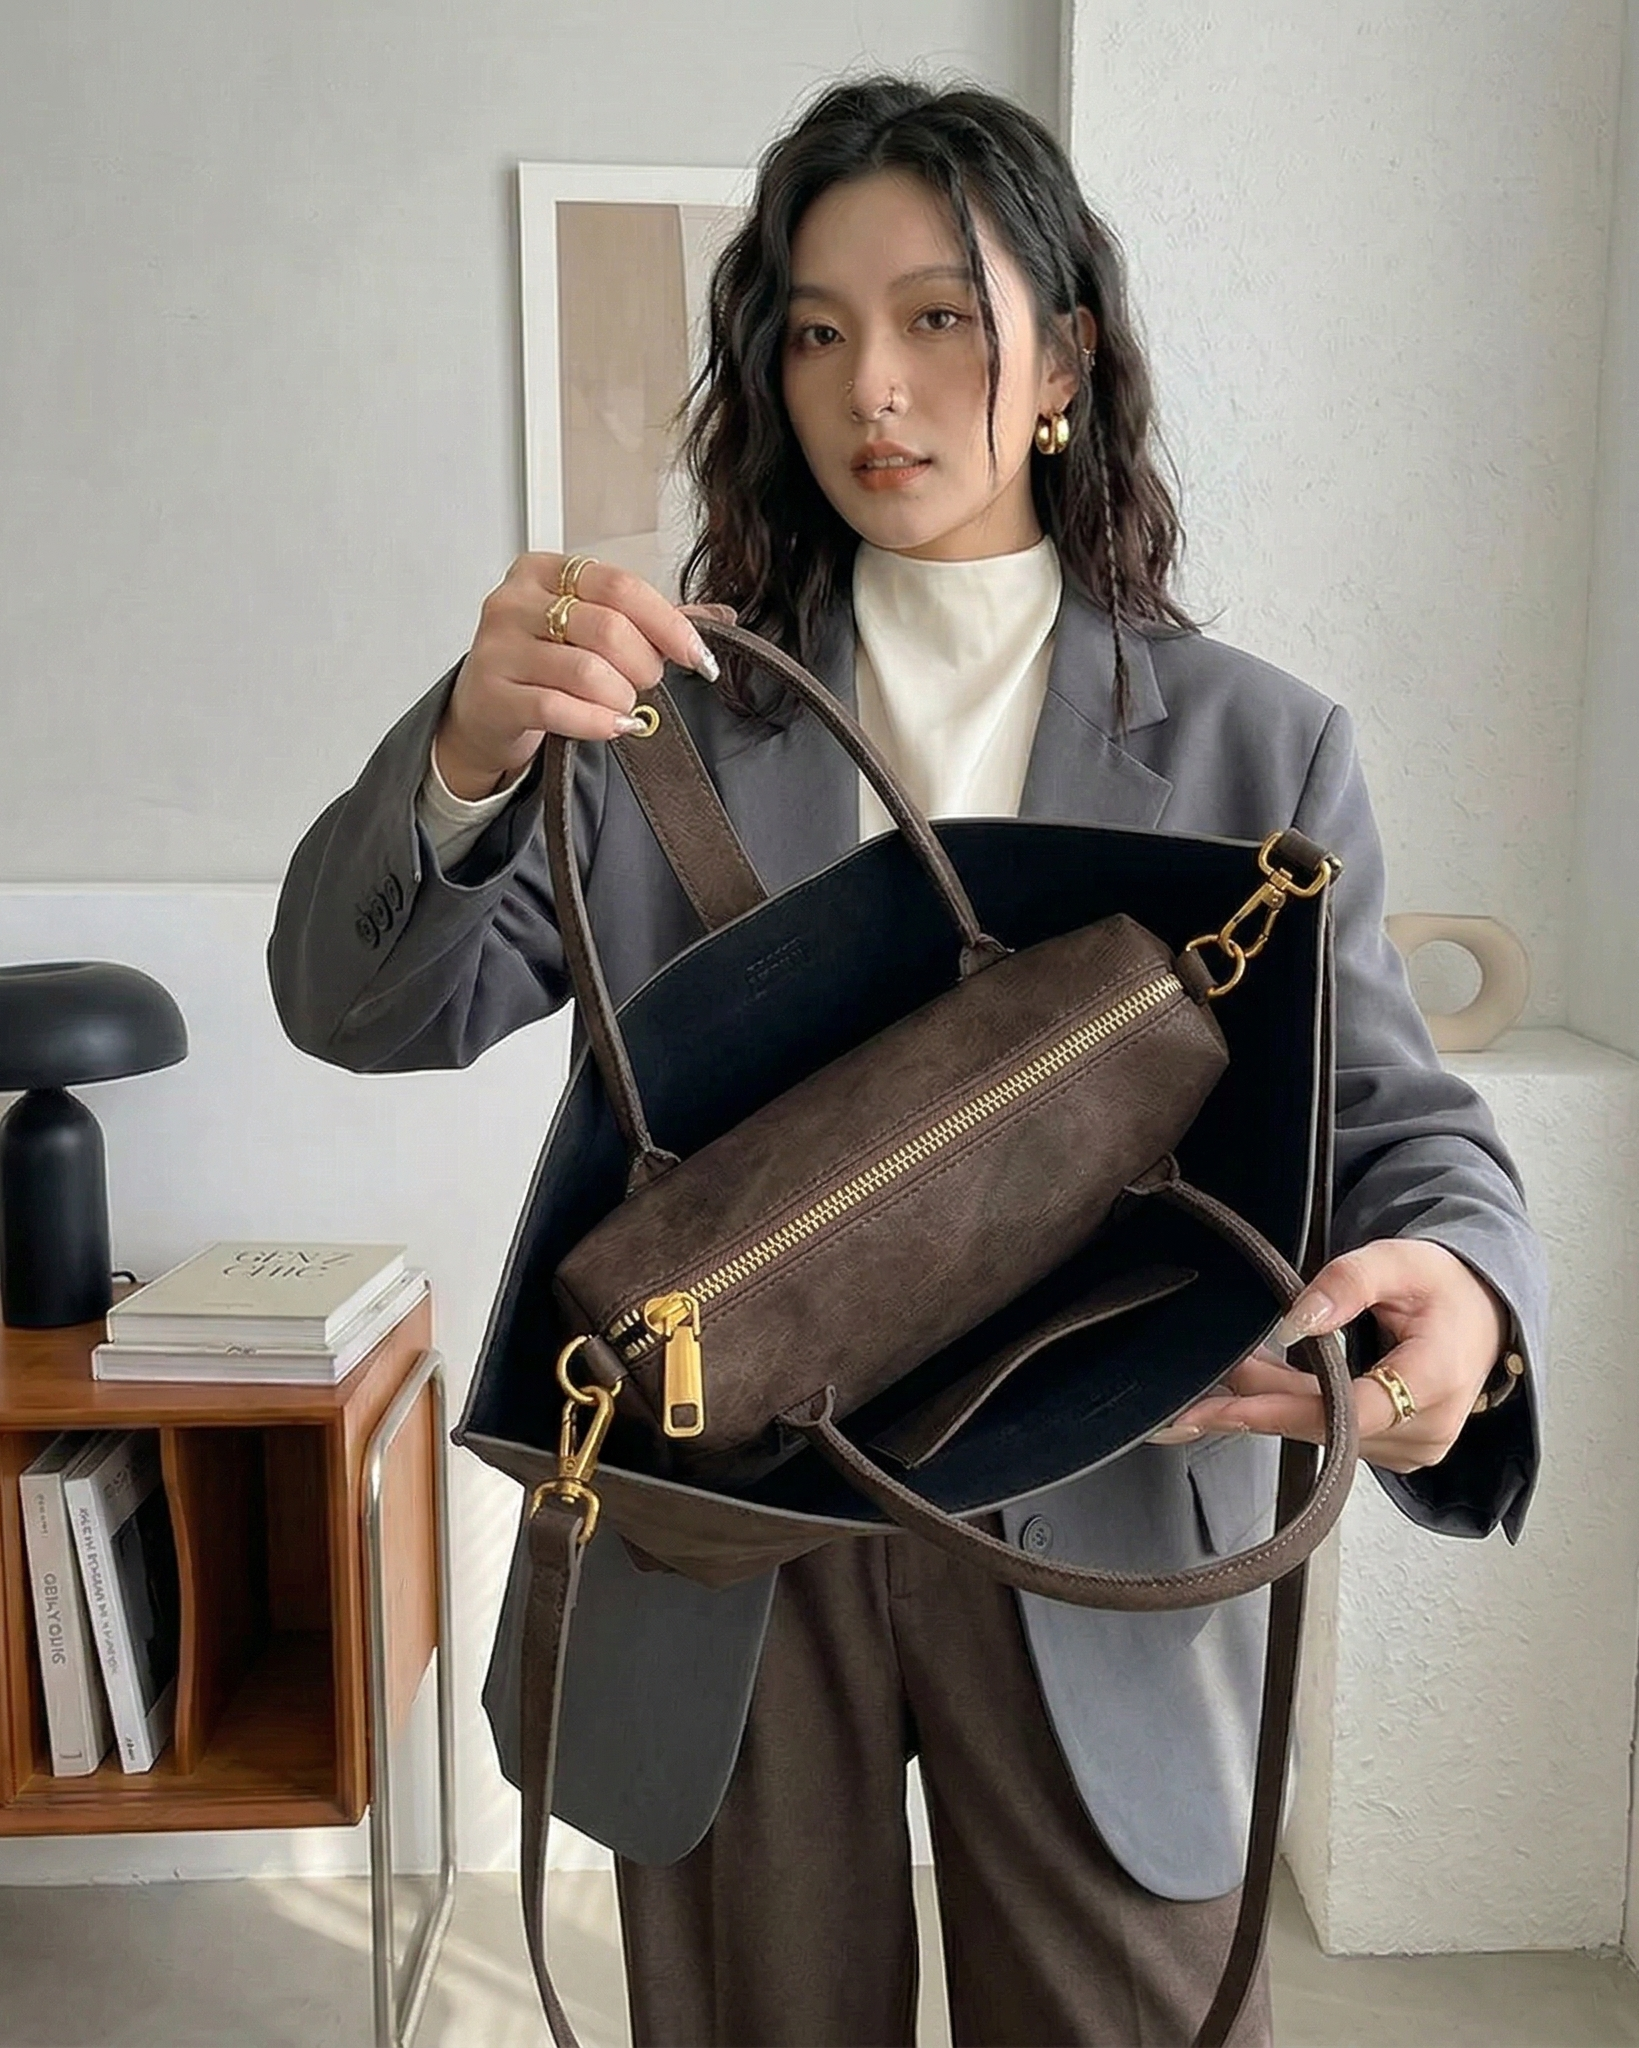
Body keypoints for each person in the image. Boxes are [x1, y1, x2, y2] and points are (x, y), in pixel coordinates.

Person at [268, 74, 1546, 2048]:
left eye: (940, 313)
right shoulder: (653, 727)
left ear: (1063, 361)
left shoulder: (1249, 744)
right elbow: (368, 1006)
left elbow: (1388, 1118)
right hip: (726, 1523)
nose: (875, 381)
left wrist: (1456, 1289)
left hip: (1109, 1500)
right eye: (814, 326)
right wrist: (460, 751)